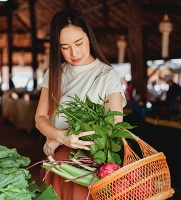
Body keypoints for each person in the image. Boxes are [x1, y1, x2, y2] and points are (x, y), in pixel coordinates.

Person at [35, 9, 126, 200]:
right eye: (65, 47)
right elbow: (40, 118)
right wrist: (59, 137)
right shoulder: (54, 73)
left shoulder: (106, 75)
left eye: (79, 43)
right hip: (56, 160)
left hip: (87, 163)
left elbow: (113, 126)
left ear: (89, 38)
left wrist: (60, 138)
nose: (74, 53)